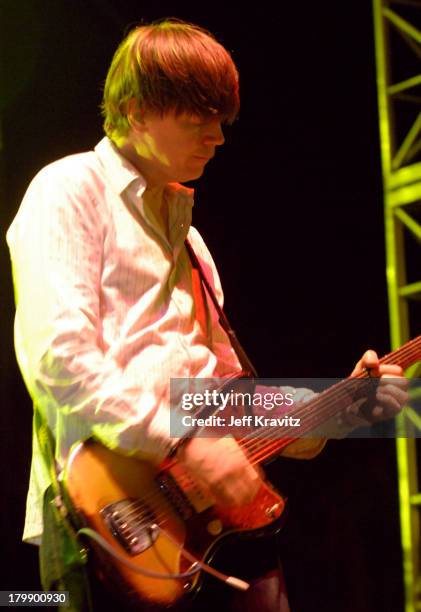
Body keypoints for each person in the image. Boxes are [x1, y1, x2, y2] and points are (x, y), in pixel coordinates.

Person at [7, 18, 407, 612]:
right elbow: (58, 361)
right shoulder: (68, 190)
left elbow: (224, 399)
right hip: (116, 525)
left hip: (218, 533)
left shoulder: (190, 244)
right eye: (201, 117)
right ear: (137, 110)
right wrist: (185, 440)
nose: (218, 136)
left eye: (223, 118)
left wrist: (344, 404)